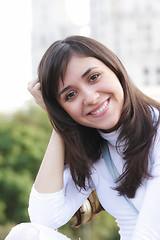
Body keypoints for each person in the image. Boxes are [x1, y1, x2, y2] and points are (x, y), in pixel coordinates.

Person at [6, 35, 160, 240]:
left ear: (115, 68)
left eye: (94, 77)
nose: (90, 97)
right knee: (25, 236)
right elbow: (45, 217)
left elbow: (150, 233)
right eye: (70, 95)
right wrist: (59, 122)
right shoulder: (97, 146)